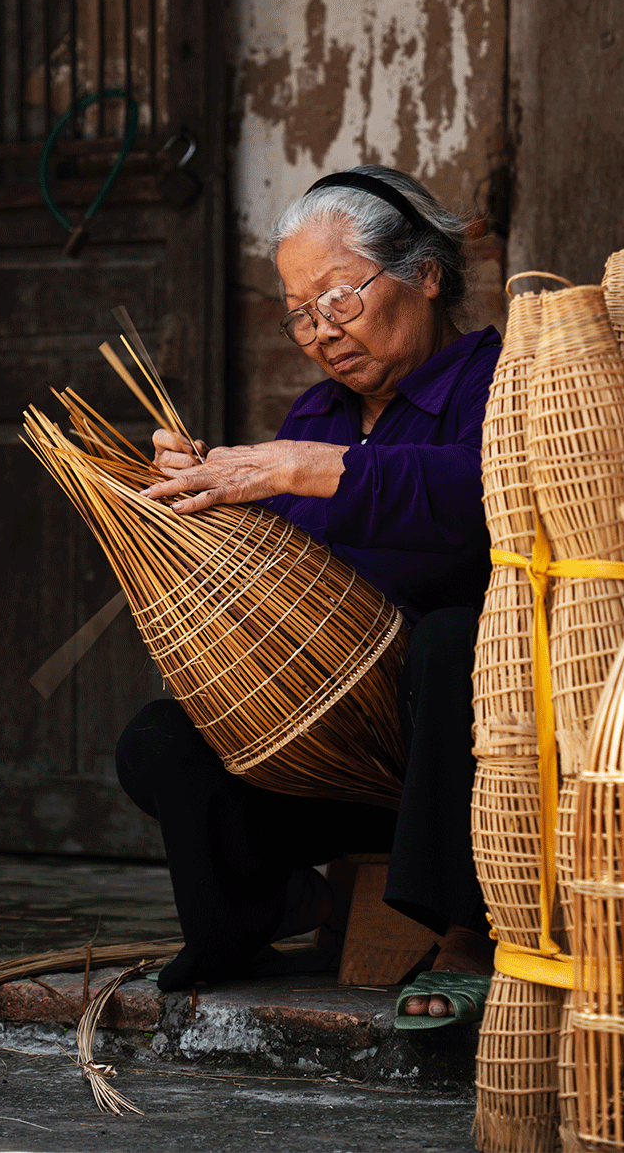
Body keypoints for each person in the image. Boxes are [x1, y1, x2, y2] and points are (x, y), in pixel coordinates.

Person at [115, 165, 501, 1023]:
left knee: (449, 637)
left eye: (339, 299)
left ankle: (468, 936)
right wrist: (196, 501)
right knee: (158, 740)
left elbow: (490, 492)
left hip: (465, 745)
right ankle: (270, 910)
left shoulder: (499, 379)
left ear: (426, 275)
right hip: (336, 745)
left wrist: (311, 470)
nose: (319, 332)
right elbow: (280, 566)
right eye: (299, 312)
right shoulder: (317, 415)